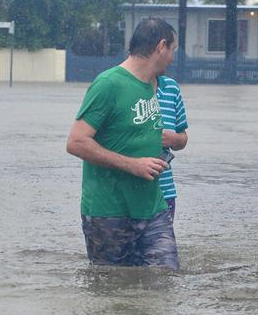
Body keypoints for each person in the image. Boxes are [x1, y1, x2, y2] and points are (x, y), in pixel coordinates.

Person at [66, 19, 178, 269]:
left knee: (167, 280)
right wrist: (132, 165)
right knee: (110, 290)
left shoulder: (152, 83)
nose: (172, 58)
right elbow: (76, 142)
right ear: (161, 47)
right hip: (109, 212)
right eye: (173, 50)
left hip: (152, 208)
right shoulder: (108, 84)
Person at [156, 74, 189, 215]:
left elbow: (183, 137)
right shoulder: (116, 84)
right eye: (170, 51)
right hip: (125, 197)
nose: (171, 58)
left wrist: (174, 139)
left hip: (164, 193)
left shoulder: (171, 87)